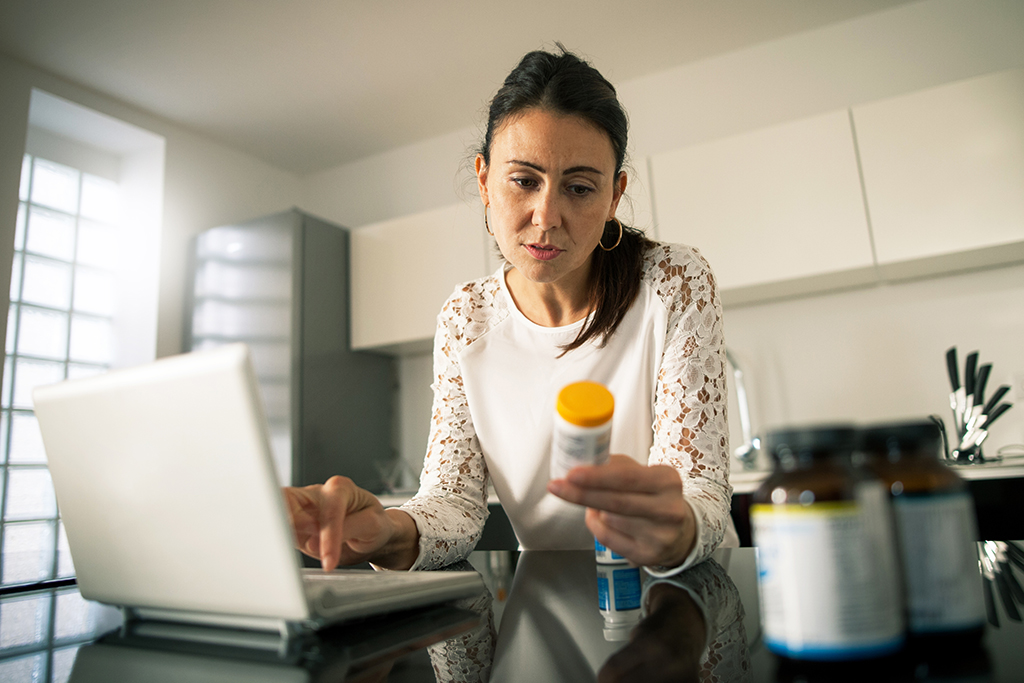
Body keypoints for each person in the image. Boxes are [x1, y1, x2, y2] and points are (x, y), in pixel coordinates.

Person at [285, 46, 737, 577]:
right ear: (484, 181)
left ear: (615, 196)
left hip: (686, 590)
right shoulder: (466, 318)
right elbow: (451, 502)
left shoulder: (673, 283)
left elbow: (698, 483)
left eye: (580, 187)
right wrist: (388, 529)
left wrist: (677, 526)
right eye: (524, 181)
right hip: (545, 608)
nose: (546, 217)